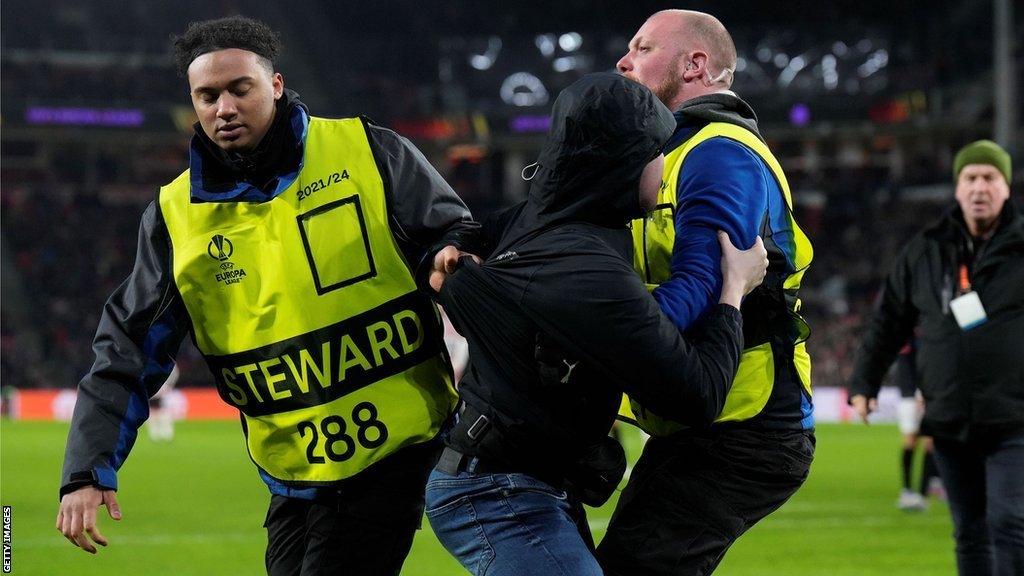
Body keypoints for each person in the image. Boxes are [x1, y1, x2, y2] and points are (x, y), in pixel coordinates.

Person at [55, 16, 479, 576]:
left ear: (275, 84)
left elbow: (452, 234)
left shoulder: (367, 150)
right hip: (294, 467)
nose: (223, 108)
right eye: (207, 96)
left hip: (397, 447)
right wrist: (86, 470)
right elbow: (126, 349)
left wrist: (449, 254)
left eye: (239, 89)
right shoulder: (175, 216)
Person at [425, 72, 769, 575]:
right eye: (657, 150)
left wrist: (443, 252)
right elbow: (698, 395)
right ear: (626, 160)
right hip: (500, 490)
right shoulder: (586, 265)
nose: (665, 163)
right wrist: (733, 292)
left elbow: (465, 235)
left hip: (513, 477)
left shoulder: (542, 219)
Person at [598, 10, 816, 575]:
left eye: (642, 48)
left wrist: (594, 336)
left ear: (696, 65)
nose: (624, 61)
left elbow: (705, 283)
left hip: (746, 423)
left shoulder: (718, 151)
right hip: (704, 418)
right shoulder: (669, 153)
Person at [848, 140, 1023, 576]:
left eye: (989, 178)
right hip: (949, 417)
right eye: (971, 178)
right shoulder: (925, 251)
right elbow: (890, 320)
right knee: (969, 531)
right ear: (957, 187)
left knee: (1008, 522)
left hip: (1015, 418)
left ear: (1006, 187)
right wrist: (864, 382)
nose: (980, 187)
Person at [892, 339, 942, 511]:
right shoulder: (915, 338)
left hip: (917, 394)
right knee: (915, 442)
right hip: (911, 396)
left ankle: (919, 493)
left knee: (926, 443)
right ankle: (910, 491)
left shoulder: (919, 336)